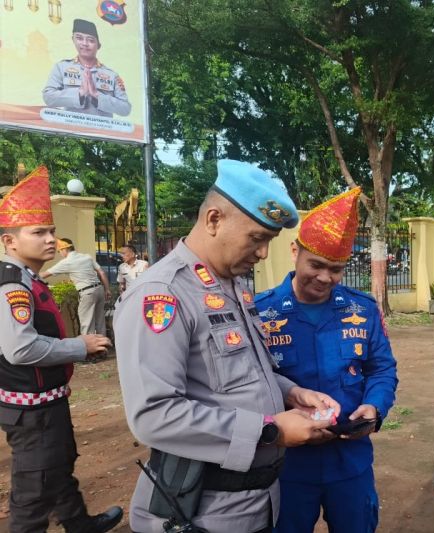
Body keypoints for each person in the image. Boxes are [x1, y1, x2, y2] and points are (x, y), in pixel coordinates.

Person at [114, 160, 342, 533]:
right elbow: (153, 415)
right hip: (201, 511)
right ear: (214, 220)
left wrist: (292, 393)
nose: (264, 253)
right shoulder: (162, 295)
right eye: (257, 238)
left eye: (269, 240)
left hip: (254, 503)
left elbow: (243, 372)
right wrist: (271, 431)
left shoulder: (231, 286)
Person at [254, 187, 398, 533]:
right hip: (286, 464)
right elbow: (251, 381)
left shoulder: (361, 309)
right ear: (294, 252)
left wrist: (375, 407)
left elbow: (381, 368)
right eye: (315, 264)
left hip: (349, 460)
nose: (324, 278)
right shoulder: (259, 312)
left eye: (336, 269)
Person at [0, 166, 121, 533]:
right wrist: (78, 346)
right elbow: (20, 349)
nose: (50, 239)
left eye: (51, 231)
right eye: (39, 232)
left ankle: (79, 524)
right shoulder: (11, 285)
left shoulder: (27, 277)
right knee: (33, 491)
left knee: (59, 464)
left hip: (44, 399)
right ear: (10, 241)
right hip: (30, 408)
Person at [42, 19, 131, 117]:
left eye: (91, 40)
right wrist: (79, 93)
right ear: (73, 40)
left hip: (102, 130)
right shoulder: (61, 67)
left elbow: (125, 108)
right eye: (79, 38)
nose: (84, 43)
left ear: (98, 45)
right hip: (71, 129)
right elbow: (48, 97)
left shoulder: (111, 75)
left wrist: (97, 95)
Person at [41, 237, 111, 336]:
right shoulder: (86, 257)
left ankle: (91, 350)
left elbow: (44, 274)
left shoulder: (67, 262)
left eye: (59, 251)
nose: (60, 254)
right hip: (99, 290)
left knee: (87, 323)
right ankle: (103, 348)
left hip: (87, 293)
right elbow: (101, 272)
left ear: (64, 249)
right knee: (100, 322)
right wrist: (107, 289)